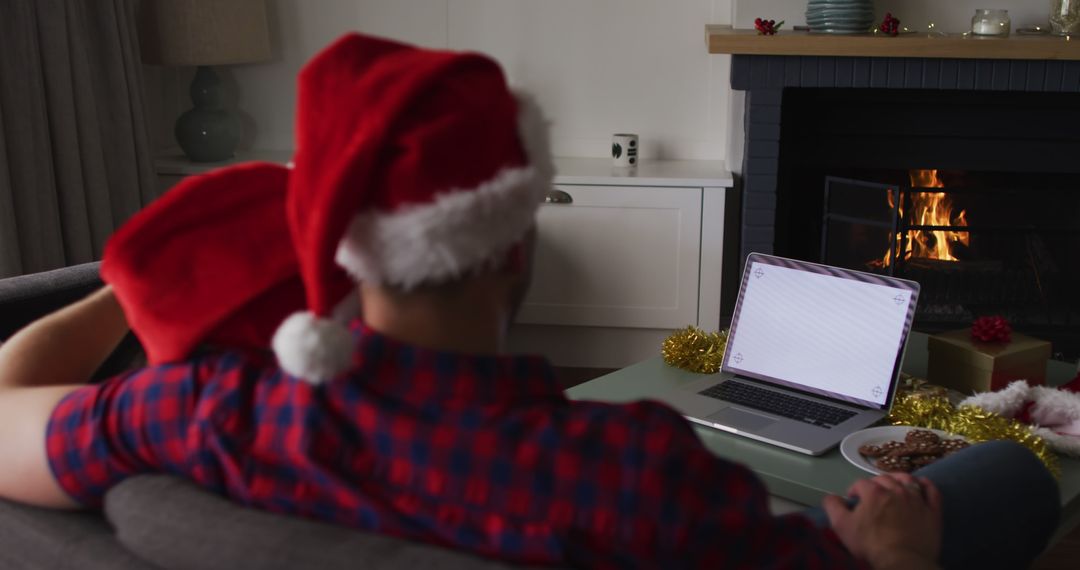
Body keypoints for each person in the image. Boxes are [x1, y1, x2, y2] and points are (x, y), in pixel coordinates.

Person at [0, 33, 1061, 569]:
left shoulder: (210, 413)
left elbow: (11, 401)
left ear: (338, 246)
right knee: (1007, 475)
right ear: (513, 247)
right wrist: (894, 557)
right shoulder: (639, 475)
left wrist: (134, 285)